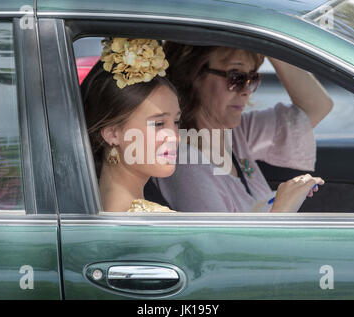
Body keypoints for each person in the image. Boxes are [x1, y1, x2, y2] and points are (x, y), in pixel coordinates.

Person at [149, 43, 333, 213]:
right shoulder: (184, 164)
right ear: (193, 74)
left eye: (252, 78)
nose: (246, 90)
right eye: (236, 77)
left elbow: (317, 106)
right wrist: (282, 210)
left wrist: (271, 44)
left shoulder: (236, 133)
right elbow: (223, 248)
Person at [81, 38, 180, 212]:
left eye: (176, 122)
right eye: (158, 124)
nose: (175, 137)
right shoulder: (147, 221)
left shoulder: (98, 205)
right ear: (112, 134)